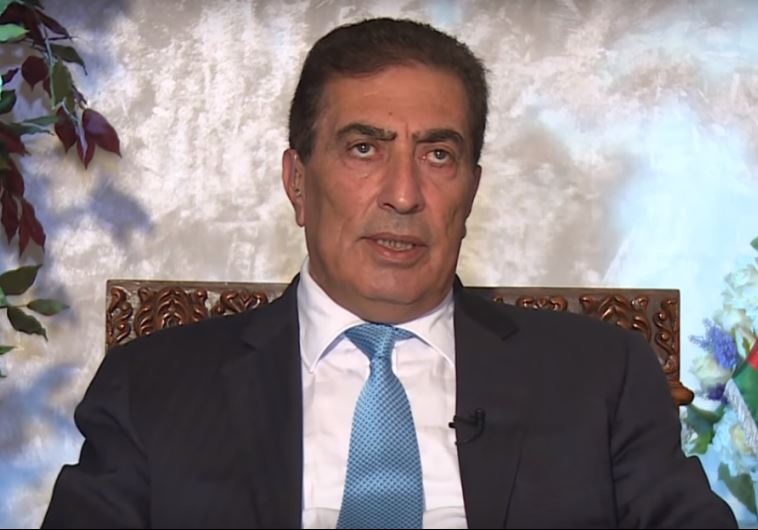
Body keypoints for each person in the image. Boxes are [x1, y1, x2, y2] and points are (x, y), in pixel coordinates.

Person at [42, 17, 735, 529]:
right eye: (364, 148)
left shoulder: (600, 376)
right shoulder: (153, 387)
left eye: (438, 155)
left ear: (471, 189)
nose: (404, 195)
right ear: (297, 182)